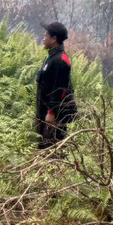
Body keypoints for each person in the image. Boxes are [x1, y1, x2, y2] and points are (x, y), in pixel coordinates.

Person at [36, 21, 74, 149]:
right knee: (43, 147)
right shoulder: (52, 57)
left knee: (51, 150)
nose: (43, 38)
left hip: (53, 117)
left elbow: (60, 89)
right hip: (44, 113)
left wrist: (52, 112)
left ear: (54, 39)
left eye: (46, 35)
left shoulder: (61, 60)